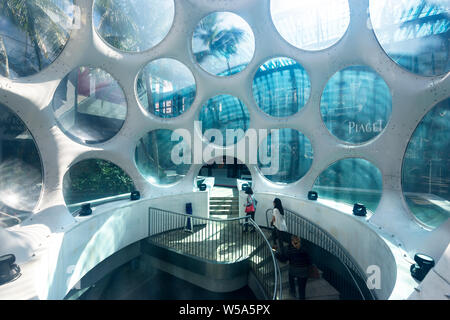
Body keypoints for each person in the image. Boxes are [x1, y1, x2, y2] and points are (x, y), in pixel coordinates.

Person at [284, 235, 310, 300]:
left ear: (292, 241)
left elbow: (284, 259)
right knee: (302, 289)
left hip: (294, 270)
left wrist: (276, 254)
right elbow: (309, 260)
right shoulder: (305, 248)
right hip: (304, 272)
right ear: (299, 241)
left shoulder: (290, 250)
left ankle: (293, 292)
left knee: (291, 279)